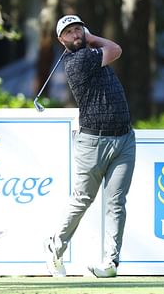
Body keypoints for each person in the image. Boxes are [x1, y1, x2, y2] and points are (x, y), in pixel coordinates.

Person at [44, 15, 136, 278]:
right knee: (83, 199)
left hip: (124, 138)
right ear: (61, 40)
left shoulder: (93, 55)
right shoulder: (77, 61)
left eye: (78, 30)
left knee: (116, 202)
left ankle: (110, 262)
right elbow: (116, 49)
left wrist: (86, 35)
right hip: (93, 142)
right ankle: (54, 247)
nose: (75, 35)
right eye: (69, 33)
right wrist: (90, 36)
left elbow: (110, 51)